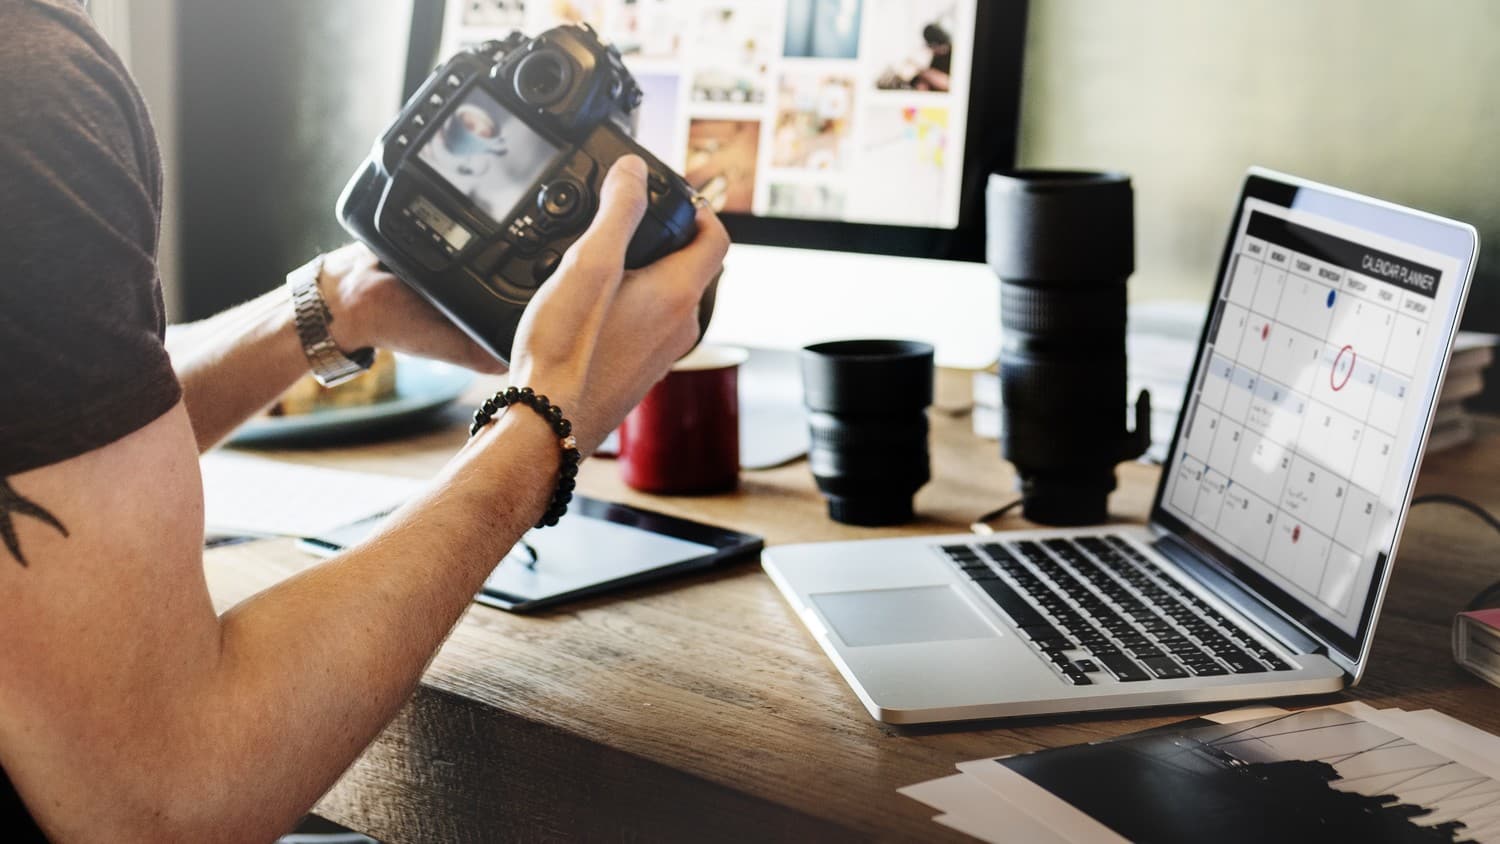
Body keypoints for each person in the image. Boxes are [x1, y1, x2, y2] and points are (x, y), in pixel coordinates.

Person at [0, 1, 728, 840]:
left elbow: (56, 435)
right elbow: (172, 796)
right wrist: (553, 411)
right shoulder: (28, 87)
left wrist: (338, 305)